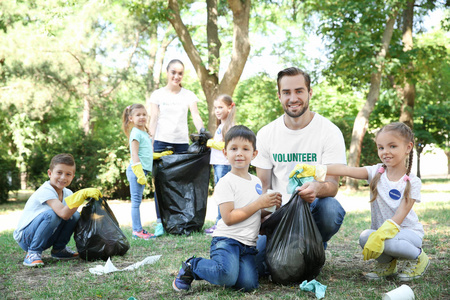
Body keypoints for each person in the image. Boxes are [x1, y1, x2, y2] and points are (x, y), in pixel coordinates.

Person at [294, 122, 429, 281]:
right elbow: (346, 170)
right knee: (365, 237)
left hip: (408, 234)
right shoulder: (375, 172)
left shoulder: (412, 182)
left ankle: (419, 258)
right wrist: (317, 170)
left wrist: (381, 235)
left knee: (389, 243)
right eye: (381, 147)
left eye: (392, 146)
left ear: (408, 147)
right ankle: (387, 264)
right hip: (384, 233)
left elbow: (400, 215)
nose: (385, 152)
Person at [251, 67, 347, 275]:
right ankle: (299, 250)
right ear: (279, 96)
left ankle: (313, 244)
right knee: (257, 268)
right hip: (279, 214)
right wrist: (262, 216)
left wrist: (316, 187)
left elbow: (332, 185)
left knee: (331, 209)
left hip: (312, 210)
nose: (293, 98)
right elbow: (264, 187)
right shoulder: (267, 134)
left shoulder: (329, 132)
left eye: (299, 91)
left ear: (309, 92)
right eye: (286, 92)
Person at [172, 125, 282, 292]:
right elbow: (229, 218)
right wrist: (259, 204)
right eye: (233, 148)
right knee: (226, 276)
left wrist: (271, 207)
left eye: (245, 149)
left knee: (248, 285)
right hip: (227, 241)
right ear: (225, 153)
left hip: (248, 246)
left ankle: (230, 268)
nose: (239, 153)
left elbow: (254, 213)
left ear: (254, 154)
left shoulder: (256, 182)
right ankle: (192, 266)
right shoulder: (226, 182)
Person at [13, 153, 102, 267]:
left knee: (74, 215)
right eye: (59, 172)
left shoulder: (68, 193)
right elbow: (63, 214)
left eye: (68, 174)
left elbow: (69, 215)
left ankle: (59, 250)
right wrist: (81, 196)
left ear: (72, 177)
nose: (63, 177)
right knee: (52, 214)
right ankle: (32, 253)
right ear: (50, 173)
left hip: (47, 236)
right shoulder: (45, 190)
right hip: (26, 238)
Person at [149, 59, 205, 236]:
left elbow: (195, 116)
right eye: (173, 72)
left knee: (182, 184)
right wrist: (149, 144)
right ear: (167, 72)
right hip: (161, 142)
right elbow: (154, 119)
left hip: (181, 144)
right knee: (160, 183)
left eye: (180, 73)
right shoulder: (157, 95)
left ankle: (181, 220)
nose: (176, 76)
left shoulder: (188, 95)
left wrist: (203, 132)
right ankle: (160, 222)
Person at [123, 103, 156, 240]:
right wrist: (139, 172)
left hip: (142, 171)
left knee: (138, 201)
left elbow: (146, 153)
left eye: (144, 114)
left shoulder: (144, 133)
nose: (142, 117)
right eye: (138, 115)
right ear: (131, 118)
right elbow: (134, 154)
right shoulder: (135, 133)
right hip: (136, 171)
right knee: (136, 201)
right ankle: (137, 230)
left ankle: (139, 229)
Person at [204, 94, 236, 234]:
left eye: (220, 107)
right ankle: (221, 221)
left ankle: (220, 222)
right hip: (217, 164)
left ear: (229, 108)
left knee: (222, 194)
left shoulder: (230, 126)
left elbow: (228, 145)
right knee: (219, 193)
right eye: (215, 108)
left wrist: (213, 143)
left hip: (224, 164)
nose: (217, 110)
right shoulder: (221, 125)